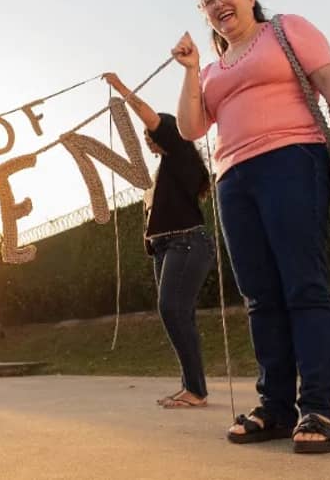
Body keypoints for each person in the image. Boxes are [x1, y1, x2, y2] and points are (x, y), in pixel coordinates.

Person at [170, 0, 330, 454]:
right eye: (207, 1)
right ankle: (274, 408)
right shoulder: (211, 71)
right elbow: (191, 128)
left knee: (303, 284)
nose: (216, 4)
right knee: (260, 296)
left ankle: (316, 407)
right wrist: (191, 71)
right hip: (233, 179)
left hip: (293, 159)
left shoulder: (286, 30)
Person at [103, 72, 214, 410]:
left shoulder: (179, 149)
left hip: (186, 243)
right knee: (180, 314)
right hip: (166, 248)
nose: (148, 140)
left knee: (171, 310)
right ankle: (192, 388)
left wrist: (122, 88)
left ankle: (194, 389)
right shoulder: (164, 170)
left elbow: (150, 117)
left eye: (151, 135)